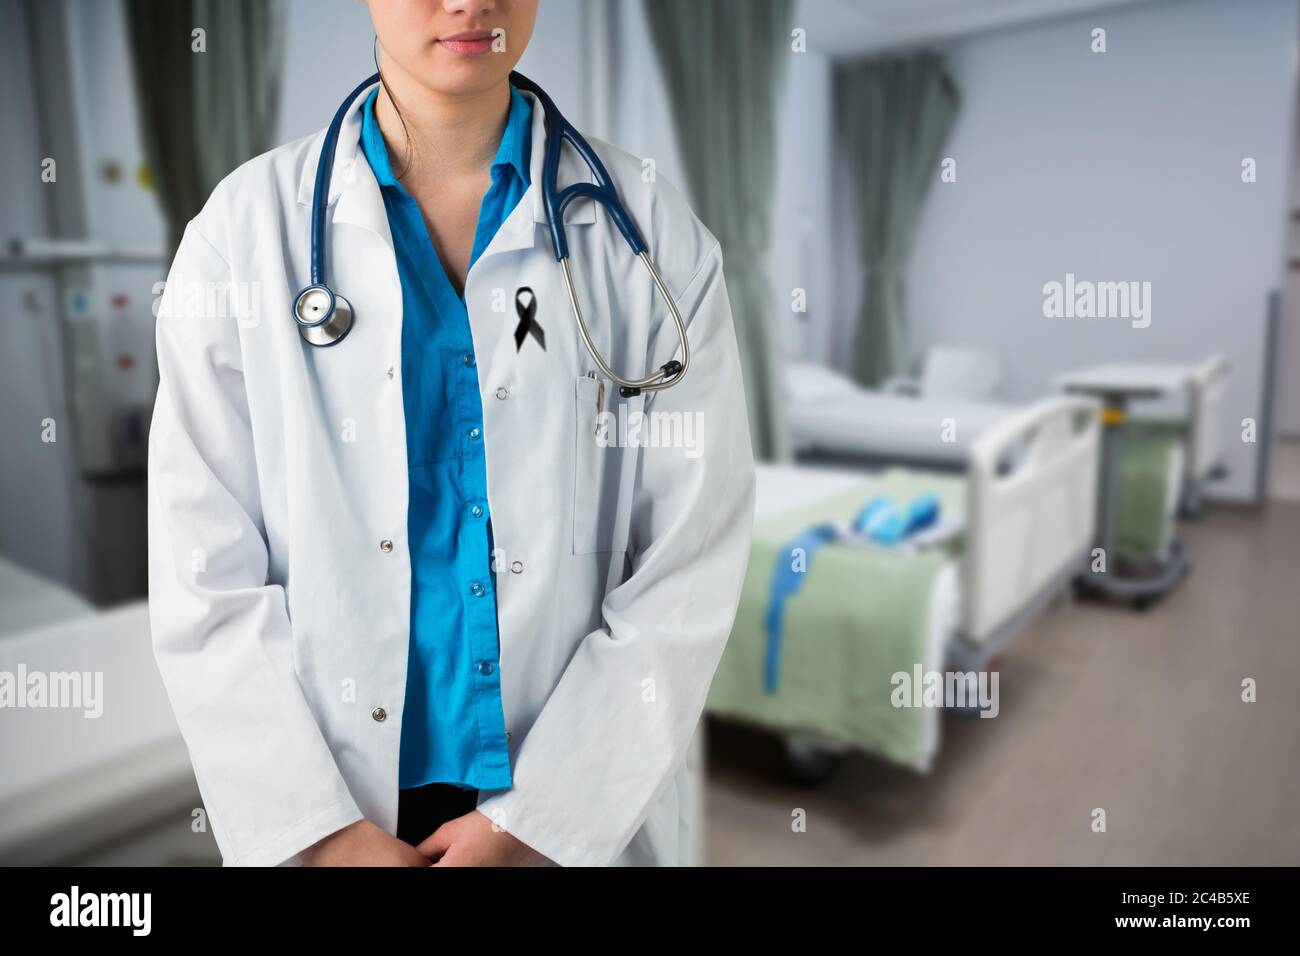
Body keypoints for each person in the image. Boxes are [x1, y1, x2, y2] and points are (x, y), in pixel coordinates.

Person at [147, 0, 754, 867]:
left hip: (566, 784)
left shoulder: (653, 237)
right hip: (337, 793)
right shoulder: (240, 235)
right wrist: (314, 833)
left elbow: (690, 557)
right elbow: (200, 563)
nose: (469, 1)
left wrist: (546, 820)